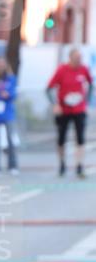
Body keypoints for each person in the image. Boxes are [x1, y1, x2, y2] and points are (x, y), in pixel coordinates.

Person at [46, 47, 93, 178]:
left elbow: (91, 85)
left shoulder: (84, 69)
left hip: (79, 109)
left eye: (80, 57)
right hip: (64, 109)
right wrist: (55, 105)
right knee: (61, 138)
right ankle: (62, 164)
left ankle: (79, 165)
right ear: (70, 58)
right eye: (77, 57)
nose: (79, 60)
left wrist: (86, 103)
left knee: (80, 137)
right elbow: (49, 88)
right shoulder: (62, 70)